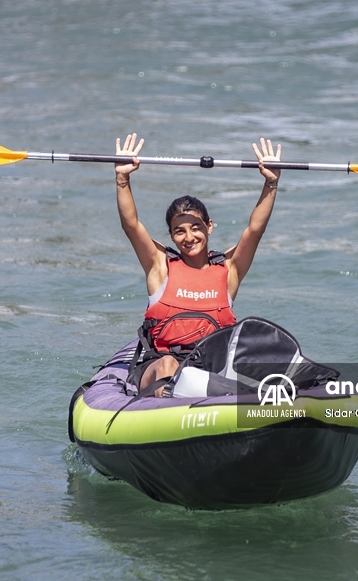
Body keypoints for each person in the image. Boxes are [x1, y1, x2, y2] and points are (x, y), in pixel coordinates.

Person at [114, 133, 282, 396]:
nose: (189, 237)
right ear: (171, 236)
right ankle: (170, 404)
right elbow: (131, 226)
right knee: (168, 365)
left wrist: (271, 182)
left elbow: (254, 230)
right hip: (160, 366)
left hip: (210, 370)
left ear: (209, 226)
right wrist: (122, 179)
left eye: (196, 227)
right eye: (179, 231)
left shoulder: (229, 269)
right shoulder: (160, 266)